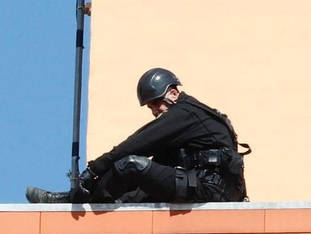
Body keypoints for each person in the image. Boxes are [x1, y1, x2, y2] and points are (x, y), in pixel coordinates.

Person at [25, 67, 247, 205]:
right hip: (204, 186)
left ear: (173, 93)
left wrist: (94, 169)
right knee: (132, 191)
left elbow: (138, 143)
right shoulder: (187, 123)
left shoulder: (186, 113)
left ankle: (74, 201)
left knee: (130, 165)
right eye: (150, 107)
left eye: (156, 103)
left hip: (209, 189)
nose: (155, 111)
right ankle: (81, 200)